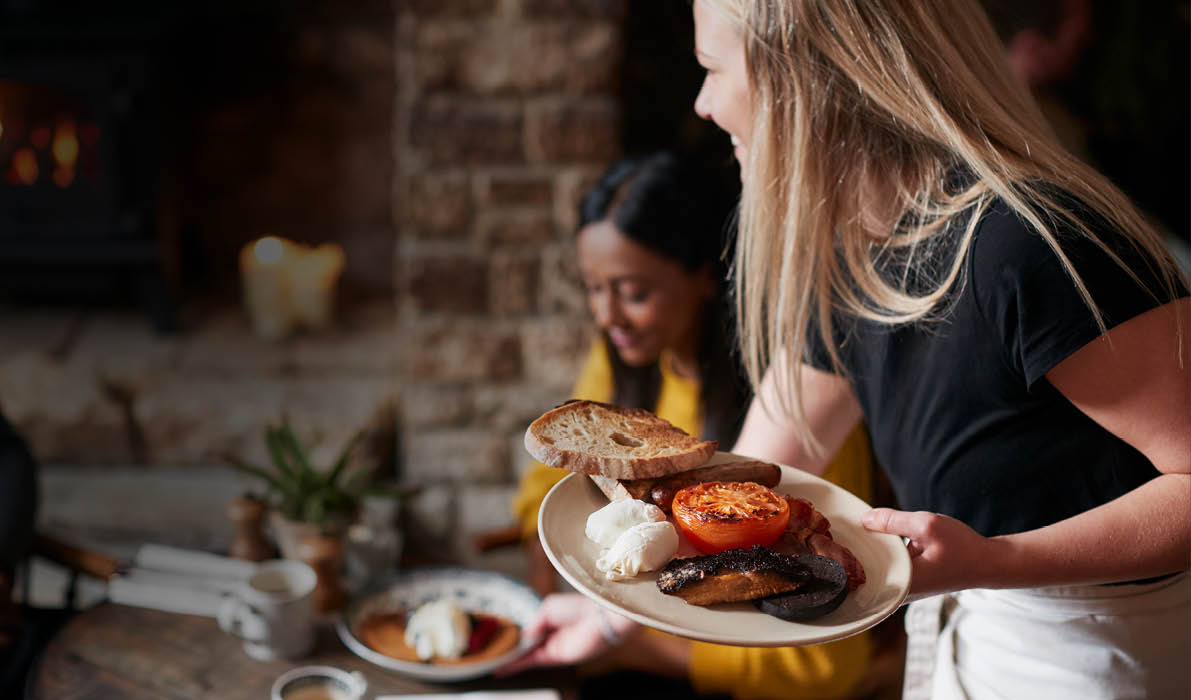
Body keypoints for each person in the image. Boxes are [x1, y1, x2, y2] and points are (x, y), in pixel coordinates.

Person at [509, 2, 1190, 699]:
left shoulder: (1033, 247)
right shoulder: (854, 256)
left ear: (806, 81)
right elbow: (755, 476)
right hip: (972, 633)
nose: (703, 104)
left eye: (712, 70)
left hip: (1099, 656)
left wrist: (993, 559)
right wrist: (612, 614)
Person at [507, 151, 881, 699]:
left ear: (706, 276)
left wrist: (618, 639)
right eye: (593, 287)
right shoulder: (618, 362)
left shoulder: (788, 401)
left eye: (634, 293)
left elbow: (816, 660)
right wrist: (558, 586)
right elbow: (546, 486)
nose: (607, 316)